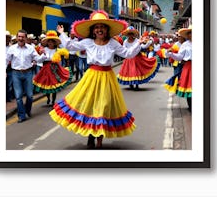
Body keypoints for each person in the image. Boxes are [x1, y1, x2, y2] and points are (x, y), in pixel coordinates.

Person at [50, 10, 147, 149]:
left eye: (102, 27)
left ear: (107, 29)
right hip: (91, 76)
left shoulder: (113, 43)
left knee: (103, 107)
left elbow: (128, 53)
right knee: (89, 106)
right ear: (93, 30)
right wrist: (62, 33)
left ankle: (99, 139)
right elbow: (70, 46)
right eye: (96, 27)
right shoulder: (88, 42)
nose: (99, 29)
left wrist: (139, 44)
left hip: (107, 78)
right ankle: (91, 134)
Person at [6, 29, 48, 123]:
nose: (21, 38)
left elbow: (37, 59)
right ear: (17, 37)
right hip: (16, 73)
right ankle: (21, 115)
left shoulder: (30, 48)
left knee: (30, 96)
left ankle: (27, 110)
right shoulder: (12, 48)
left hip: (28, 73)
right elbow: (6, 60)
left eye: (22, 37)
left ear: (25, 38)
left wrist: (44, 55)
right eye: (19, 36)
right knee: (18, 96)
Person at [33, 30, 72, 108]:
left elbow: (66, 55)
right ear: (47, 42)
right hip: (46, 69)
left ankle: (53, 101)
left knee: (54, 86)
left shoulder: (58, 50)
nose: (50, 43)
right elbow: (40, 59)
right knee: (47, 85)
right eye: (49, 42)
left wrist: (65, 60)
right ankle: (48, 98)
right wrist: (42, 54)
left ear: (54, 43)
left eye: (52, 42)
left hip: (55, 69)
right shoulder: (44, 49)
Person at [117, 26, 160, 90]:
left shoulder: (137, 40)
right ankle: (131, 84)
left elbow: (143, 47)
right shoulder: (125, 41)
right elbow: (124, 49)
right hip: (129, 59)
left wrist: (148, 42)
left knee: (137, 72)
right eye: (129, 34)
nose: (130, 35)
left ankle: (136, 85)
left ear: (133, 34)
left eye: (131, 34)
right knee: (130, 72)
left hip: (137, 58)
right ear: (127, 35)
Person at [165, 25, 192, 112]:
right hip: (189, 67)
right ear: (188, 35)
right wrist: (171, 54)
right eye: (190, 33)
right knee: (190, 87)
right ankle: (191, 106)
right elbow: (180, 57)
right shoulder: (185, 45)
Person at [6, 31, 14, 102]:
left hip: (10, 68)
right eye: (6, 37)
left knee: (9, 84)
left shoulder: (11, 48)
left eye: (8, 38)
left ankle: (8, 98)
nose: (7, 39)